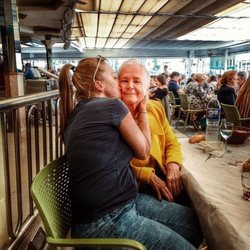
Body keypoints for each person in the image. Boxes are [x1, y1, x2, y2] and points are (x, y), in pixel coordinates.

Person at [59, 57, 202, 250]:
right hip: (107, 219)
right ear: (99, 84)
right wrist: (142, 110)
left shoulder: (77, 112)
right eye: (115, 76)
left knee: (195, 223)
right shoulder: (112, 107)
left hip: (114, 206)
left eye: (136, 81)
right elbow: (143, 152)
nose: (120, 82)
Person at [118, 59, 203, 247]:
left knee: (200, 218)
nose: (130, 86)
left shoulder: (154, 108)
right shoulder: (112, 114)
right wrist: (145, 174)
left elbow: (172, 141)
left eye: (137, 81)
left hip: (163, 178)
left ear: (148, 84)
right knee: (193, 226)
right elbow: (107, 165)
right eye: (124, 80)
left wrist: (173, 164)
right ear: (116, 83)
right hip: (134, 189)